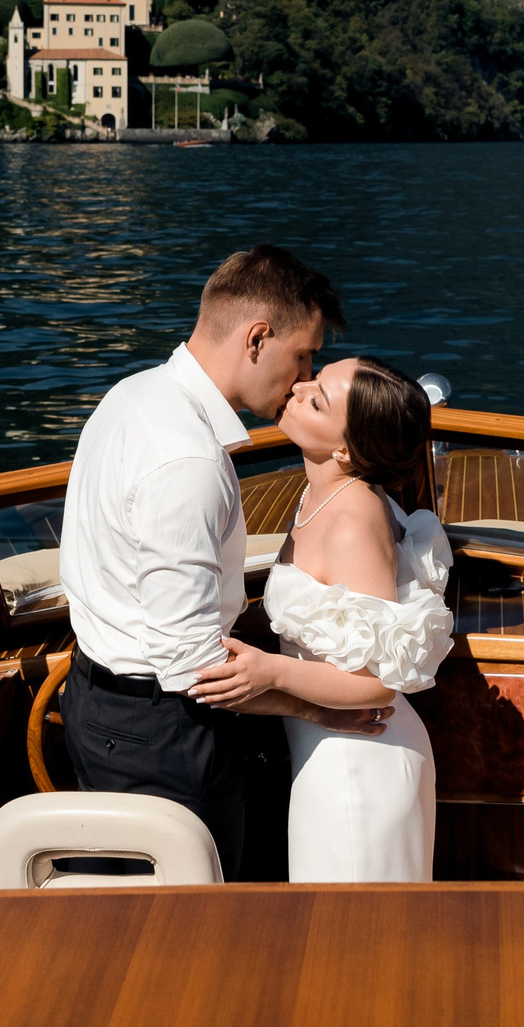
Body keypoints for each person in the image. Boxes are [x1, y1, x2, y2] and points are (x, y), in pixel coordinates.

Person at [56, 245, 382, 881]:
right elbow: (191, 666)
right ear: (257, 338)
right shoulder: (190, 464)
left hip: (97, 702)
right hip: (161, 737)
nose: (303, 377)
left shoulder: (133, 395)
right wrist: (321, 707)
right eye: (302, 355)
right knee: (190, 929)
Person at [188, 355, 454, 882]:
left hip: (359, 769)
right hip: (327, 750)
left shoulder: (354, 522)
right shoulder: (318, 490)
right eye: (313, 377)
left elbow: (379, 684)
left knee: (354, 942)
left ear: (345, 449)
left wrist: (270, 672)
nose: (297, 387)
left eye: (317, 398)